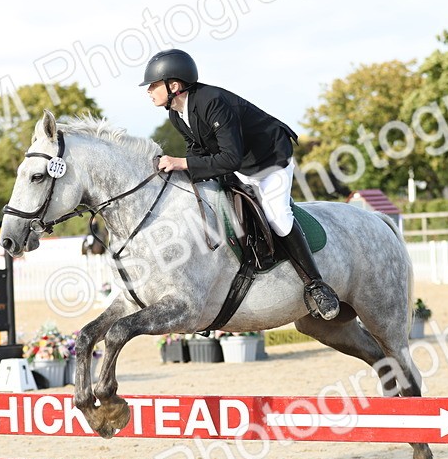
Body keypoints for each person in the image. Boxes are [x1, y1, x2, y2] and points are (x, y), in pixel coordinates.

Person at [141, 49, 339, 320]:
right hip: (240, 164)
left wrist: (182, 163)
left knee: (277, 217)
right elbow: (197, 150)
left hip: (269, 160)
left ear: (173, 85)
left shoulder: (212, 102)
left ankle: (316, 285)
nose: (149, 91)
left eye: (153, 85)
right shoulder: (176, 113)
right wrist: (178, 172)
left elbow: (229, 158)